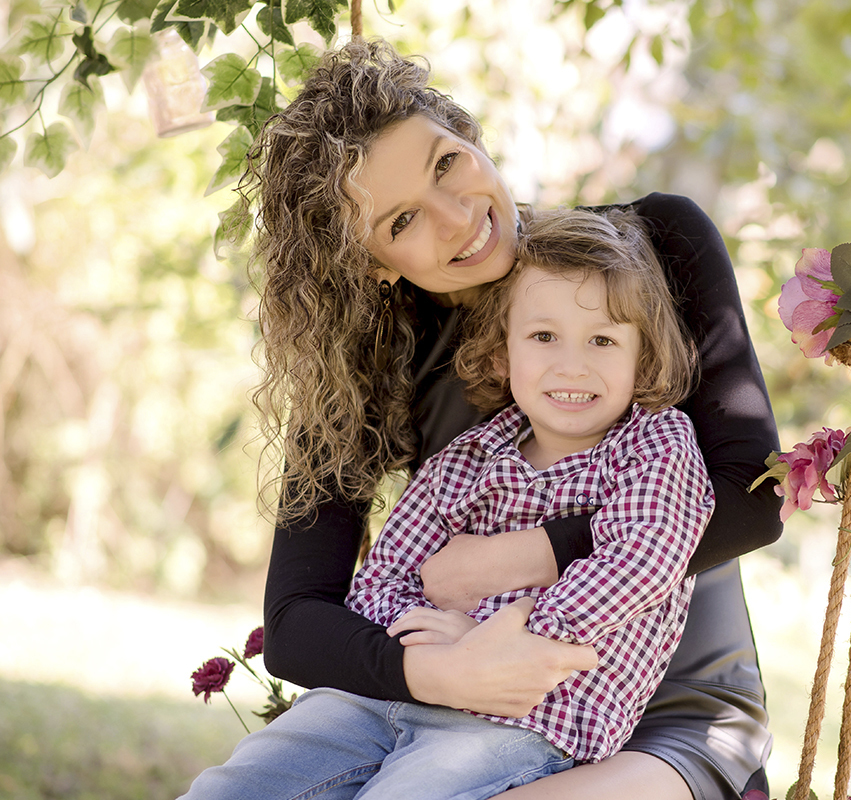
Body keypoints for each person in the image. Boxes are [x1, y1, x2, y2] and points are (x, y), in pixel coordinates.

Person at [237, 38, 781, 800]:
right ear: (371, 264)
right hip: (448, 691)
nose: (459, 217)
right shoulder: (371, 356)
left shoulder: (651, 246)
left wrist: (509, 562)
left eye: (446, 163)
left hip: (666, 717)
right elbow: (298, 620)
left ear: (470, 134)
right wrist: (441, 667)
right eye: (401, 223)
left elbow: (754, 499)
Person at [180, 208, 716, 798]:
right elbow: (383, 578)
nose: (572, 363)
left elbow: (643, 559)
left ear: (642, 356)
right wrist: (423, 646)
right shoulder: (470, 458)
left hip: (530, 715)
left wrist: (492, 636)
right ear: (501, 353)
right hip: (394, 695)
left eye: (603, 340)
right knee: (239, 785)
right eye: (543, 336)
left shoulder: (655, 447)